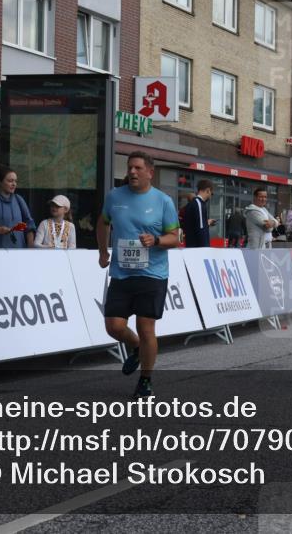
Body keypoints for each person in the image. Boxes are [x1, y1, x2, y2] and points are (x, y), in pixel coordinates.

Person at [97, 151, 179, 398]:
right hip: (121, 273)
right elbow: (103, 223)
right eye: (130, 167)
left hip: (152, 273)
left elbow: (175, 238)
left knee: (146, 328)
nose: (132, 171)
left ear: (150, 173)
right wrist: (103, 251)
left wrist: (156, 240)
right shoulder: (115, 196)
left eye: (138, 168)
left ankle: (145, 380)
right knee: (114, 326)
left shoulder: (163, 201)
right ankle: (136, 348)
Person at [181, 180, 216, 248]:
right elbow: (201, 229)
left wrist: (206, 223)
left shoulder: (192, 204)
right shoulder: (199, 204)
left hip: (191, 246)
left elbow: (194, 225)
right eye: (211, 193)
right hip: (198, 248)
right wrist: (206, 248)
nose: (211, 196)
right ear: (208, 190)